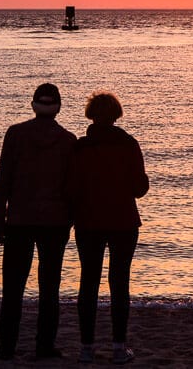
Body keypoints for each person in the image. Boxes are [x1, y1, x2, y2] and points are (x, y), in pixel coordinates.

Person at [0, 83, 76, 360]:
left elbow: (3, 179)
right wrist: (71, 220)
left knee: (13, 286)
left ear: (33, 105)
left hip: (19, 219)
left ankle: (6, 345)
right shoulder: (67, 140)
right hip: (55, 221)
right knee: (49, 287)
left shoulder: (16, 134)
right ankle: (44, 345)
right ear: (59, 107)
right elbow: (71, 187)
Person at [68, 92, 149, 365]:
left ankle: (86, 348)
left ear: (91, 115)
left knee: (88, 283)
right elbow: (140, 189)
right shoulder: (128, 144)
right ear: (116, 115)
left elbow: (72, 188)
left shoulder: (80, 148)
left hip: (88, 222)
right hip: (123, 221)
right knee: (119, 282)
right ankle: (118, 346)